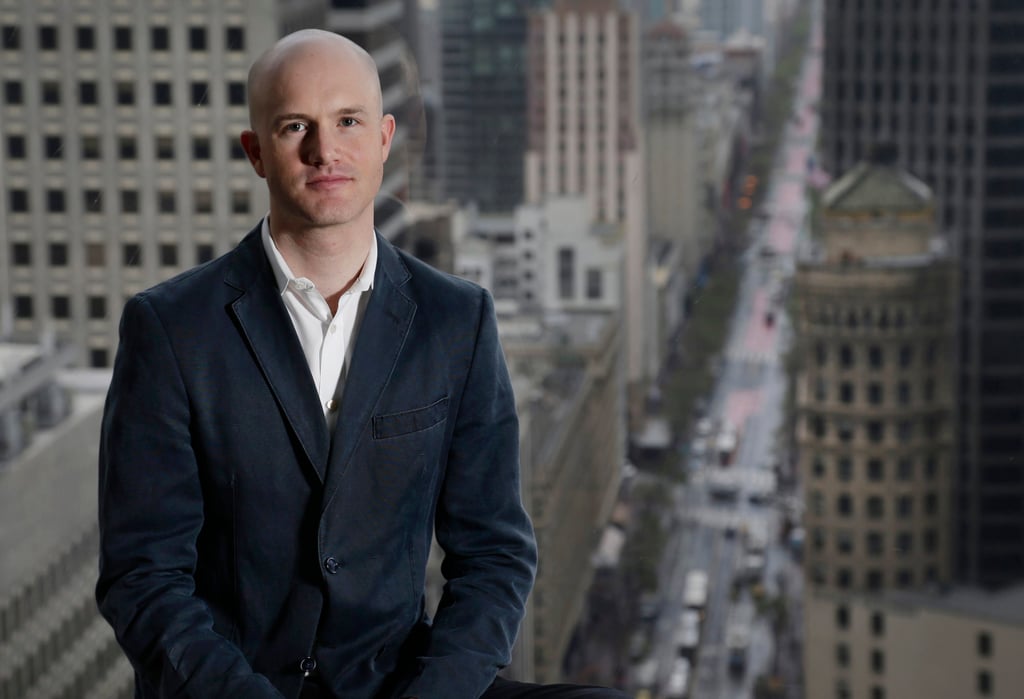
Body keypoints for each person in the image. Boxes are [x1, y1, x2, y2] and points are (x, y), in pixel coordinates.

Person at [96, 29, 628, 699]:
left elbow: (493, 556)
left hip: (399, 684)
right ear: (256, 153)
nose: (326, 151)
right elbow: (143, 578)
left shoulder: (456, 321)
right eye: (296, 127)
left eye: (347, 121)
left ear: (384, 139)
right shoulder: (171, 329)